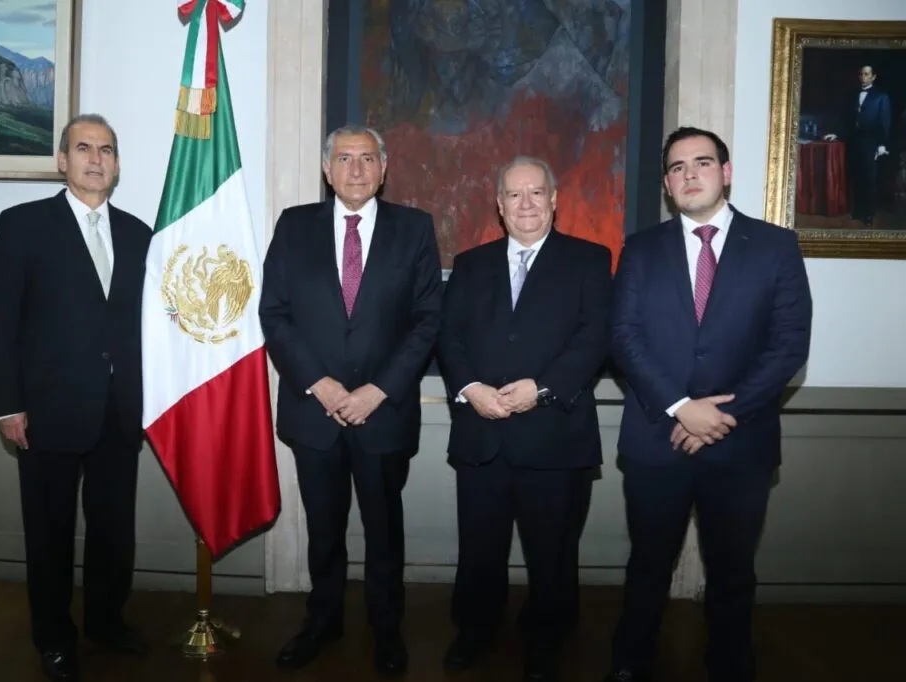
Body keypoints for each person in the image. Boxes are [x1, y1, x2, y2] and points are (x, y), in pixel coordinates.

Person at [603, 126, 812, 682]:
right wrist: (680, 406)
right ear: (667, 184)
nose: (689, 174)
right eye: (677, 167)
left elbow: (789, 345)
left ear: (726, 172)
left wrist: (720, 415)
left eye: (701, 162)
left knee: (732, 573)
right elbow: (623, 338)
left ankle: (730, 665)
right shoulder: (640, 249)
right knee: (647, 566)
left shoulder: (775, 246)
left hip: (739, 443)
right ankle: (630, 664)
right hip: (656, 440)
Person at [259, 124, 442, 676]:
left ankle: (387, 630)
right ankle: (323, 621)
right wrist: (321, 384)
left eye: (367, 158)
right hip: (313, 412)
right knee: (323, 529)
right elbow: (275, 313)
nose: (356, 169)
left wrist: (377, 391)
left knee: (384, 531)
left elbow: (427, 320)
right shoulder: (294, 226)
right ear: (327, 169)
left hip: (383, 414)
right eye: (344, 158)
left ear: (383, 169)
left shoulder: (414, 229)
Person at [0, 114, 152, 682]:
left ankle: (106, 622)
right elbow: (1, 323)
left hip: (119, 412)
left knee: (113, 531)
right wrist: (8, 405)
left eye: (106, 149)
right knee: (49, 534)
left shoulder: (139, 234)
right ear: (62, 160)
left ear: (117, 164)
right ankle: (54, 639)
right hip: (46, 413)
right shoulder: (23, 225)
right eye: (84, 148)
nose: (95, 159)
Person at [437, 155, 613, 681]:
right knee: (479, 549)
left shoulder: (589, 260)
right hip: (482, 432)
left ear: (554, 200)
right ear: (499, 205)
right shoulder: (470, 264)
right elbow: (448, 337)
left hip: (555, 435)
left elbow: (595, 338)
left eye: (536, 192)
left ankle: (546, 640)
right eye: (514, 194)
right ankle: (475, 630)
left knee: (552, 553)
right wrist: (470, 389)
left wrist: (541, 389)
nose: (526, 203)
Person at [823, 64, 892, 226]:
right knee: (855, 178)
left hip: (870, 143)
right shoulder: (853, 95)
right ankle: (858, 211)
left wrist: (881, 145)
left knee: (869, 180)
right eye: (861, 74)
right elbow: (846, 120)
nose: (863, 77)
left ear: (873, 77)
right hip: (853, 142)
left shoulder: (881, 97)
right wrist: (837, 134)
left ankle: (868, 214)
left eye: (867, 74)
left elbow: (885, 123)